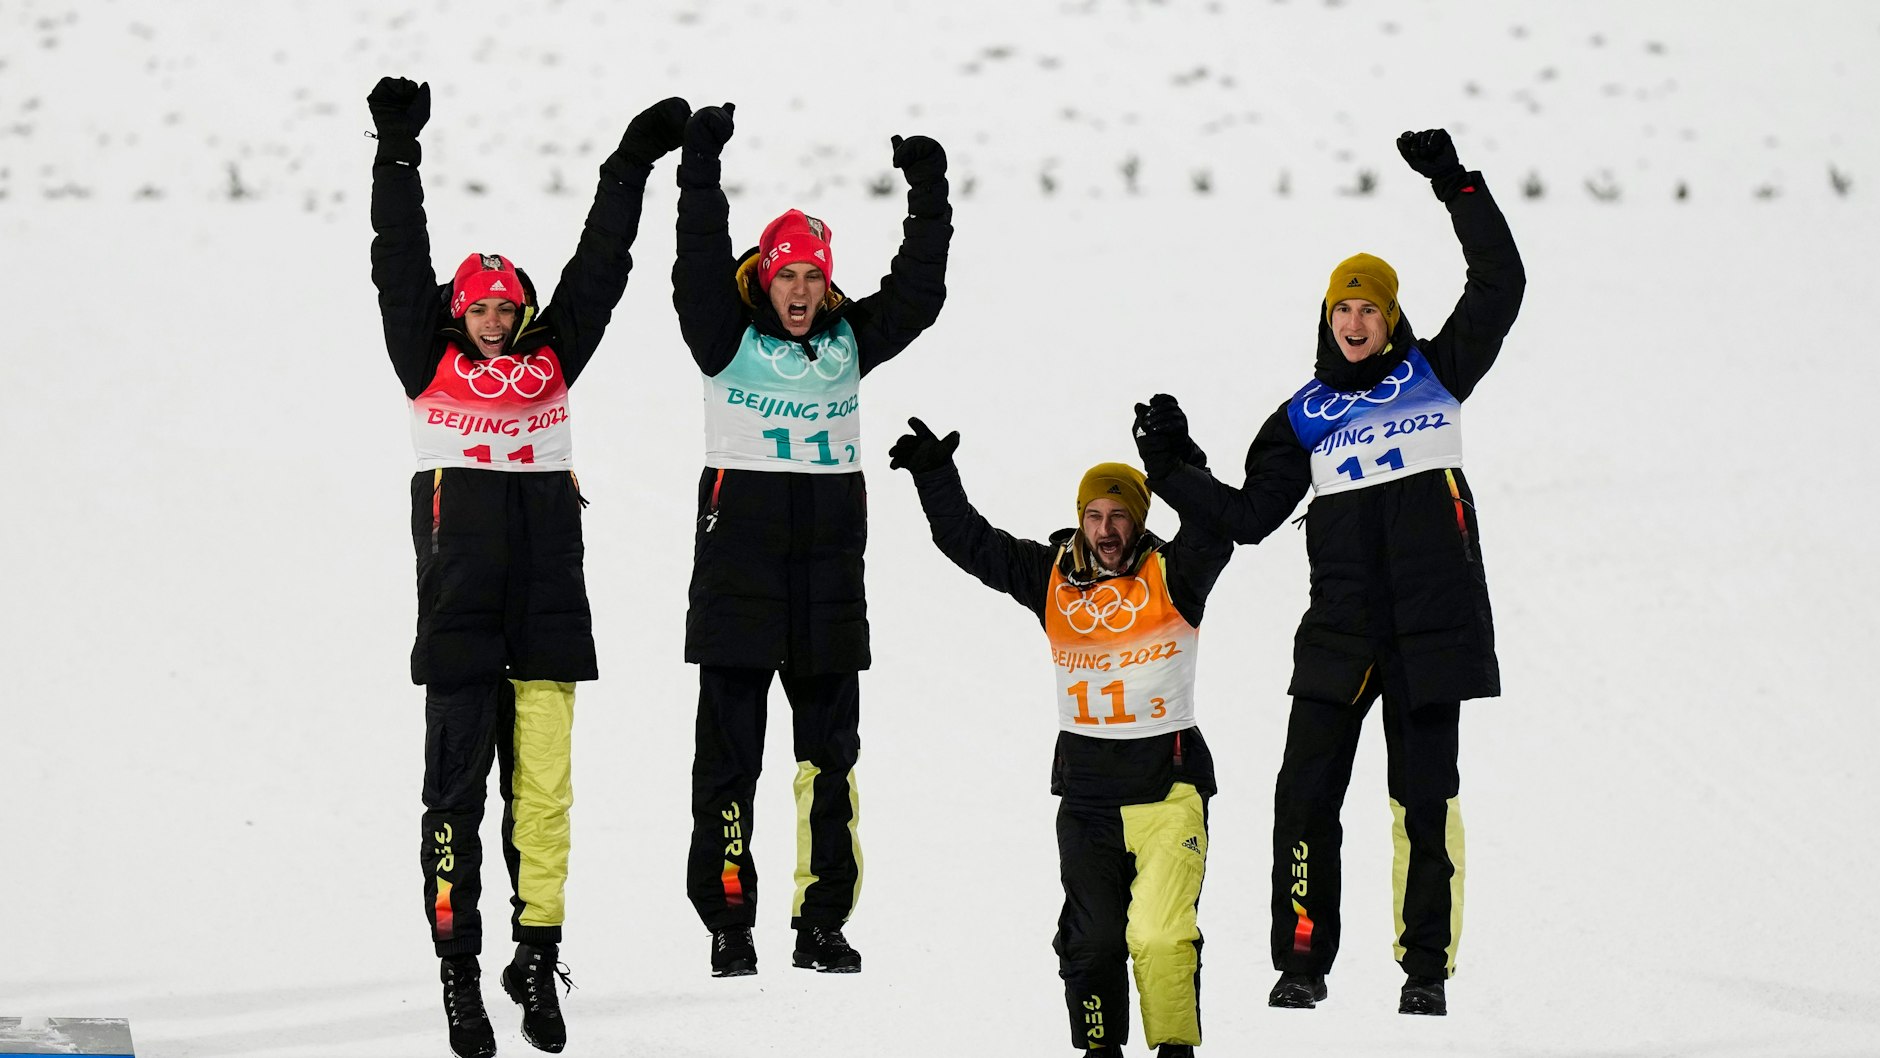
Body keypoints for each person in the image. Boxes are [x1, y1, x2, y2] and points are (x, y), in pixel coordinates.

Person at [1136, 128, 1524, 1017]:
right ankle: (1302, 961)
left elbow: (1500, 286)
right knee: (1304, 797)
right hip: (1340, 632)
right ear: (1326, 318)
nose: (1355, 323)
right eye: (1342, 309)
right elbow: (1247, 517)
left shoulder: (1437, 374)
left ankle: (1424, 971)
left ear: (1391, 320)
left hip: (1430, 628)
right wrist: (1171, 467)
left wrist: (1456, 186)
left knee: (1424, 803)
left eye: (1369, 310)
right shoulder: (1302, 417)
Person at [367, 75, 689, 1057]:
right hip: (460, 623)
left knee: (543, 806)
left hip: (548, 620)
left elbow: (600, 269)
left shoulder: (552, 363)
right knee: (455, 806)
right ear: (457, 312)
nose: (496, 321)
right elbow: (398, 260)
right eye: (482, 308)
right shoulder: (424, 362)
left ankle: (536, 957)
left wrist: (628, 166)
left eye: (509, 308)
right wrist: (398, 155)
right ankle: (458, 975)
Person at [669, 102, 952, 977]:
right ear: (766, 278)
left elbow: (919, 293)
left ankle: (821, 922)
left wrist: (928, 191)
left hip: (828, 589)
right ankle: (729, 922)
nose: (798, 292)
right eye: (786, 275)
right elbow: (696, 262)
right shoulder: (723, 337)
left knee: (829, 763)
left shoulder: (849, 343)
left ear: (829, 286)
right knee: (729, 765)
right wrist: (700, 168)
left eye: (812, 279)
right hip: (737, 585)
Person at [889, 417, 1231, 1058]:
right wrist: (935, 476)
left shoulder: (1174, 574)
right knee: (1093, 942)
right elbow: (971, 542)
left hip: (1169, 792)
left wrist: (1181, 460)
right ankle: (1100, 1049)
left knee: (1159, 936)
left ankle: (1175, 1050)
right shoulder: (1050, 576)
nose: (1106, 529)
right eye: (1094, 515)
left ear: (1139, 520)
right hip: (1088, 802)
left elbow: (1215, 525)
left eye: (1119, 516)